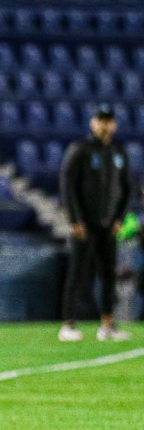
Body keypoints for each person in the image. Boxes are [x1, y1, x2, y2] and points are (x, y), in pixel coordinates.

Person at [58, 104, 133, 342]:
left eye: (109, 121)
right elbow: (68, 184)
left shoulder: (119, 152)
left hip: (109, 224)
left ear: (115, 124)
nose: (105, 125)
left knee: (108, 275)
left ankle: (107, 325)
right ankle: (68, 324)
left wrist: (120, 219)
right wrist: (75, 219)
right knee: (78, 273)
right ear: (93, 123)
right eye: (101, 120)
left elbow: (127, 188)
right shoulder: (80, 149)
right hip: (85, 223)